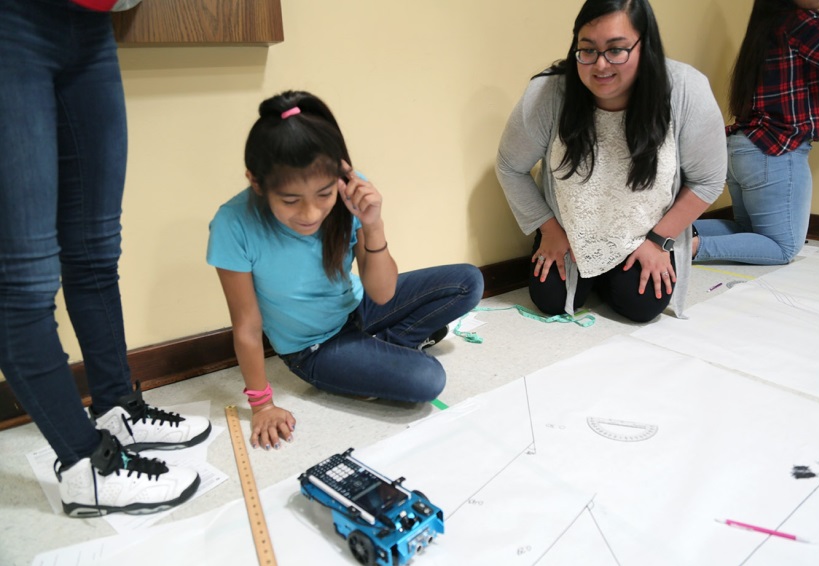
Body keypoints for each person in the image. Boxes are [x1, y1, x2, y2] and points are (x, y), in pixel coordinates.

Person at [0, 0, 211, 517]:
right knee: (25, 278)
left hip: (93, 24)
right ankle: (86, 467)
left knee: (96, 249)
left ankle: (118, 409)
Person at [207, 90, 484, 451]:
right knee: (428, 379)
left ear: (339, 176)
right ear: (256, 183)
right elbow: (246, 325)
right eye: (290, 200)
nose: (310, 214)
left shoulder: (351, 194)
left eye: (324, 195)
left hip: (360, 307)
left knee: (468, 281)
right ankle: (379, 351)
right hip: (314, 348)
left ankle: (378, 347)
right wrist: (262, 405)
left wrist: (373, 224)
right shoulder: (233, 224)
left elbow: (381, 293)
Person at [496, 0, 727, 323]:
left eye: (616, 50)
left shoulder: (686, 89)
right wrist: (549, 230)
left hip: (648, 228)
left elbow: (709, 179)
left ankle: (670, 247)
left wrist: (659, 241)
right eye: (587, 50)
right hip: (570, 225)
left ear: (644, 45)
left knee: (643, 305)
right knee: (551, 299)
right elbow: (510, 167)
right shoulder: (548, 92)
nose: (600, 66)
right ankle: (597, 271)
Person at [693, 0, 819, 265]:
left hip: (744, 147)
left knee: (747, 231)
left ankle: (664, 236)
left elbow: (788, 94)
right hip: (774, 150)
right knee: (784, 247)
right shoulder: (804, 21)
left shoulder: (768, 27)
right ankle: (685, 249)